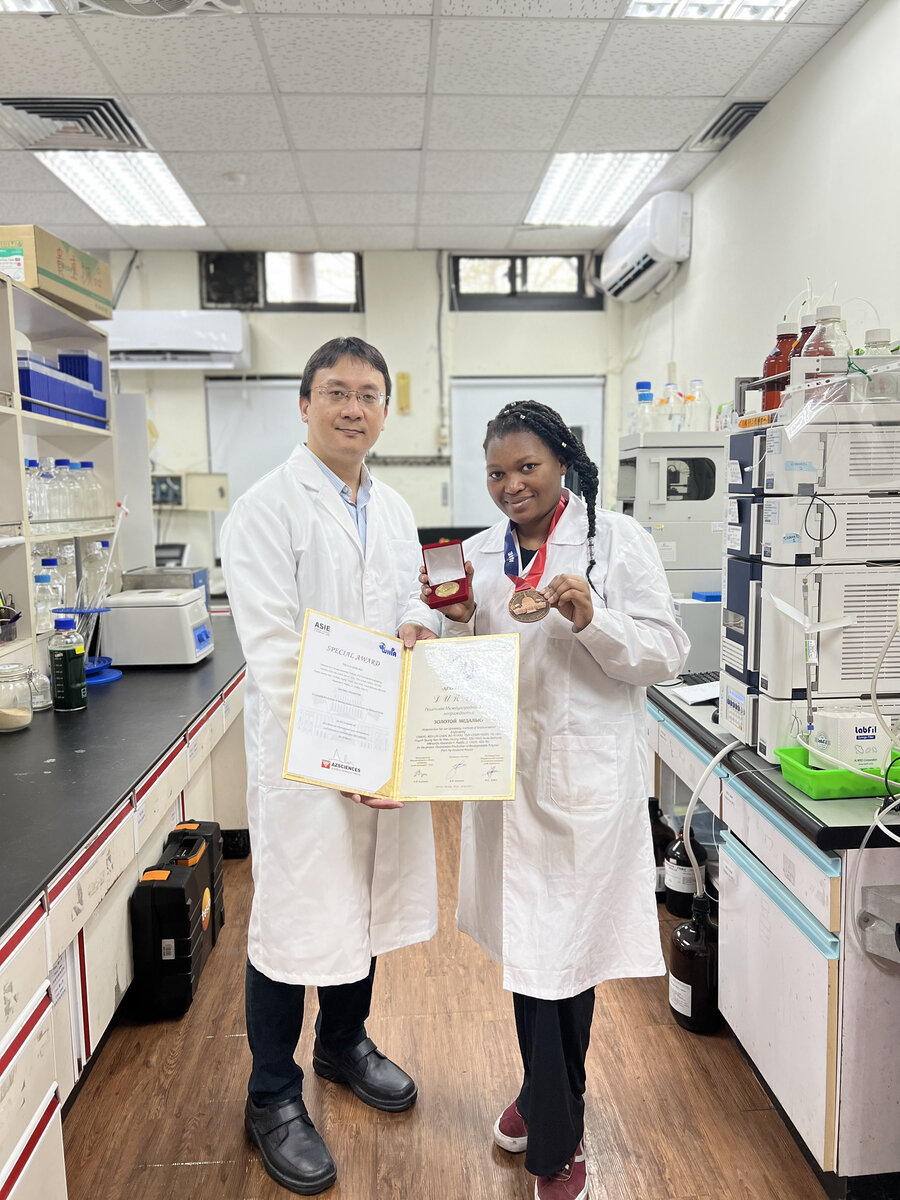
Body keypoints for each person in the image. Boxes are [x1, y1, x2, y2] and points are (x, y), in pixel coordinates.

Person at [419, 400, 689, 1200]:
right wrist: (455, 619)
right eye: (497, 473)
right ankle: (545, 1095)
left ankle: (556, 1136)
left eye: (526, 467)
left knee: (565, 963)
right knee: (533, 960)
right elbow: (459, 657)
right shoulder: (473, 554)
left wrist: (594, 618)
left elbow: (667, 653)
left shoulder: (617, 544)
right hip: (509, 783)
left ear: (562, 461)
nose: (511, 485)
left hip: (586, 785)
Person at [221, 336, 440, 1196]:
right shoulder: (266, 510)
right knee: (291, 916)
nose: (354, 408)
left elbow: (407, 594)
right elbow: (275, 654)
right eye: (336, 392)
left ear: (386, 409)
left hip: (381, 748)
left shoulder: (389, 507)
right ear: (304, 404)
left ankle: (342, 1045)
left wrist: (421, 621)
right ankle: (271, 1092)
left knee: (367, 903)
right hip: (306, 763)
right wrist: (340, 756)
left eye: (370, 394)